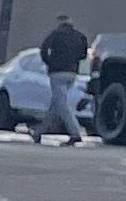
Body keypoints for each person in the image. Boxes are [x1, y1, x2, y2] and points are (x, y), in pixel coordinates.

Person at [38, 11, 89, 143]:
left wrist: (50, 63)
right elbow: (84, 54)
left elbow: (44, 50)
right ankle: (39, 132)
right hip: (72, 73)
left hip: (57, 73)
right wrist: (74, 61)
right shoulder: (79, 36)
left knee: (62, 104)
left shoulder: (55, 35)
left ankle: (75, 133)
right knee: (56, 104)